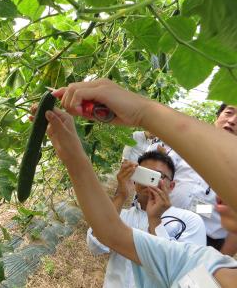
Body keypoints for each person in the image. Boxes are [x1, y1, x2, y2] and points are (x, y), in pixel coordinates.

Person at [43, 78, 237, 287]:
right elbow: (109, 234)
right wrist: (73, 156)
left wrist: (143, 112)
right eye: (229, 112)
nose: (221, 193)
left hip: (199, 232)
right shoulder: (200, 263)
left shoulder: (196, 239)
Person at [86, 151, 206, 288]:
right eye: (144, 174)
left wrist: (155, 221)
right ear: (135, 179)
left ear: (171, 186)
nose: (149, 182)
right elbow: (95, 246)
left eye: (157, 176)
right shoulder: (121, 215)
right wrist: (121, 195)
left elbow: (188, 276)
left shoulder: (190, 221)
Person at [146, 104, 237, 253]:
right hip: (163, 224)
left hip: (206, 244)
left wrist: (220, 258)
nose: (232, 121)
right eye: (228, 113)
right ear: (217, 116)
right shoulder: (187, 145)